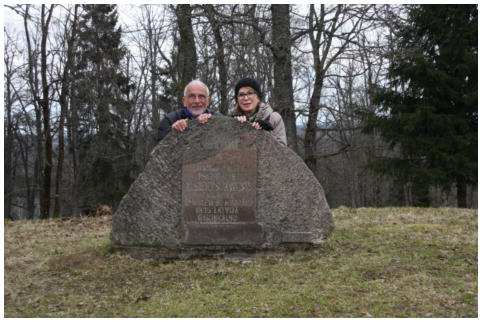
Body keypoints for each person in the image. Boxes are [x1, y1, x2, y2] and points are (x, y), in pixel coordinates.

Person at [232, 77, 287, 145]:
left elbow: (283, 151)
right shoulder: (233, 120)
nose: (245, 98)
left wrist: (264, 133)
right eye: (241, 95)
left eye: (250, 93)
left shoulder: (273, 118)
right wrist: (234, 126)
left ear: (258, 97)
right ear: (237, 99)